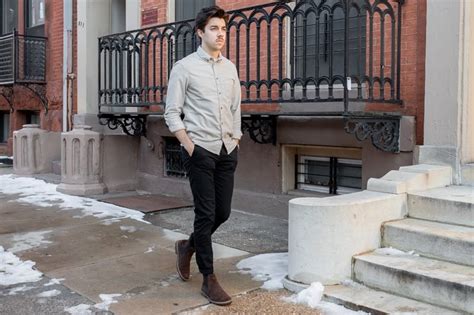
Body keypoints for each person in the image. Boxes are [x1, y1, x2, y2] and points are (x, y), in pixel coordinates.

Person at [164, 5, 241, 306]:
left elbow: (236, 107)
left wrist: (236, 137)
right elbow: (171, 112)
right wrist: (188, 144)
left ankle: (187, 247)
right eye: (214, 29)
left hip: (227, 149)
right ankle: (208, 278)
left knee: (222, 213)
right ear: (200, 32)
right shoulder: (183, 67)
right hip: (200, 151)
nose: (220, 34)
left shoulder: (230, 68)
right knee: (205, 213)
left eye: (223, 29)